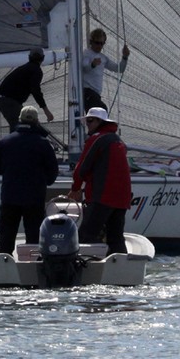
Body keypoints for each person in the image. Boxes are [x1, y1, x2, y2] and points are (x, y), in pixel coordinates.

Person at [0, 106, 59, 255]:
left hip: (10, 196)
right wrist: (44, 181)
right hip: (34, 198)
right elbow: (53, 172)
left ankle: (3, 263)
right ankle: (33, 265)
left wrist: (10, 174)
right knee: (34, 235)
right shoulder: (43, 143)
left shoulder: (5, 141)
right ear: (36, 121)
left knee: (6, 235)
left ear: (20, 120)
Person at [67, 107, 132, 255]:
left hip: (102, 197)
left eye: (90, 121)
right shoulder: (118, 141)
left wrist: (76, 188)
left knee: (85, 235)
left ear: (99, 122)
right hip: (122, 199)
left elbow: (82, 168)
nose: (87, 124)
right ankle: (122, 272)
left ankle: (84, 272)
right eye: (86, 121)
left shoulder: (97, 139)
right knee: (116, 238)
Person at [0, 47, 54, 133]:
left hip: (4, 99)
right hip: (8, 101)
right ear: (43, 58)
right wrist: (46, 111)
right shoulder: (36, 71)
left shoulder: (25, 68)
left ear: (29, 57)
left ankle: (18, 143)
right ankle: (17, 144)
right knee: (22, 125)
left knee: (23, 124)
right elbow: (36, 91)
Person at [82, 28, 130, 111]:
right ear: (91, 42)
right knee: (102, 110)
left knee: (100, 114)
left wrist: (125, 57)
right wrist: (93, 65)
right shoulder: (86, 53)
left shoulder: (103, 58)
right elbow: (84, 68)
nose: (99, 46)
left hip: (96, 94)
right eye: (97, 43)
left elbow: (119, 69)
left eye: (102, 43)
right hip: (87, 92)